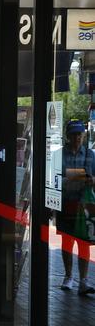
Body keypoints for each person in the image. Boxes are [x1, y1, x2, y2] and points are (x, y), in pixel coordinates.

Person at [57, 119, 95, 294]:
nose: (77, 137)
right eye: (73, 134)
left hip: (84, 204)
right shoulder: (59, 155)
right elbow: (56, 179)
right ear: (68, 136)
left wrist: (90, 180)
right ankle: (68, 276)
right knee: (66, 240)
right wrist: (79, 179)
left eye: (79, 134)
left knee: (84, 243)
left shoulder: (90, 154)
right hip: (66, 203)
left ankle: (84, 280)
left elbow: (92, 178)